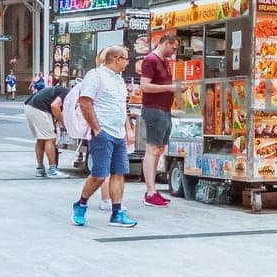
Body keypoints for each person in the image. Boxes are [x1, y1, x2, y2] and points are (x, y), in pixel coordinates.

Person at [71, 45, 139, 227]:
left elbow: (121, 107)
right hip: (103, 132)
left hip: (118, 133)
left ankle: (117, 212)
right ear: (116, 59)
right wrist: (96, 129)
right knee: (100, 175)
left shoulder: (119, 80)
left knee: (119, 173)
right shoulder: (96, 75)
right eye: (126, 58)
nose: (127, 62)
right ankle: (81, 203)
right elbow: (85, 102)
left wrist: (128, 128)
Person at [138, 33, 181, 208]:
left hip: (164, 109)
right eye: (174, 47)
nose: (174, 51)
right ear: (166, 43)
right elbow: (144, 86)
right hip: (154, 110)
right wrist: (170, 88)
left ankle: (153, 190)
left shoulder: (164, 61)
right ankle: (150, 191)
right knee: (152, 148)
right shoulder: (151, 60)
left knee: (158, 149)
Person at [24, 77, 71, 177]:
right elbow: (55, 106)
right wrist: (63, 122)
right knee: (50, 139)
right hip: (39, 109)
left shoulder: (58, 90)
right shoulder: (67, 93)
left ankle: (40, 168)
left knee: (41, 139)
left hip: (30, 107)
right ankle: (52, 170)